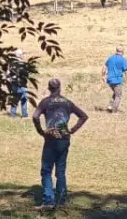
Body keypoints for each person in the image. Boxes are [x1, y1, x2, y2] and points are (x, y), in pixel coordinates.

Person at [32, 78, 88, 207]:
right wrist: (72, 130)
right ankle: (61, 199)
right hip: (64, 138)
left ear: (49, 88)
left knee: (46, 170)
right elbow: (83, 116)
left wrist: (41, 131)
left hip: (51, 138)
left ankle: (48, 201)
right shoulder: (68, 103)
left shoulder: (45, 102)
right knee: (61, 171)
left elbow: (35, 116)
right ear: (60, 87)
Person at [101, 45, 127, 113]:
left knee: (116, 93)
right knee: (118, 96)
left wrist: (103, 76)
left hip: (109, 80)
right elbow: (126, 72)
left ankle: (110, 106)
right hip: (117, 80)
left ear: (116, 51)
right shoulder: (123, 60)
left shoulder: (110, 58)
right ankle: (114, 111)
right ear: (122, 52)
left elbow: (104, 67)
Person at [6, 48, 29, 118]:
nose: (23, 56)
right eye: (22, 54)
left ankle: (12, 115)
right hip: (22, 85)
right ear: (19, 55)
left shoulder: (11, 64)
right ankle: (24, 115)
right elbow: (27, 75)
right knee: (24, 101)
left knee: (14, 101)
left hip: (14, 85)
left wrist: (10, 80)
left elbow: (7, 74)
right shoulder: (24, 64)